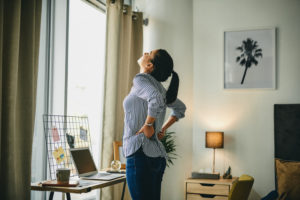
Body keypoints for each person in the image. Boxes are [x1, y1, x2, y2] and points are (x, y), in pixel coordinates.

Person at [123, 49, 186, 200]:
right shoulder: (158, 88)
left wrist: (149, 125)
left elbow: (156, 99)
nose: (145, 52)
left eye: (149, 53)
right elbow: (180, 108)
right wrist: (162, 128)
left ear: (150, 65)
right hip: (155, 156)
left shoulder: (140, 80)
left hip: (140, 154)